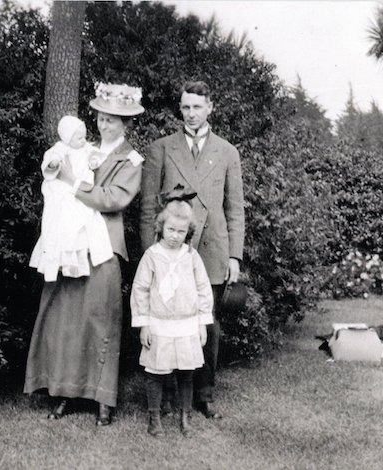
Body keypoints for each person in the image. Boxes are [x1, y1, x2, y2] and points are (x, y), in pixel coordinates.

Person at [24, 82, 145, 426]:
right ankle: (65, 392)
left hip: (104, 248)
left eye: (112, 120)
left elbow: (113, 199)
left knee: (101, 321)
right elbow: (54, 177)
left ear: (126, 124)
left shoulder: (131, 159)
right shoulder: (81, 148)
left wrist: (73, 182)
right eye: (101, 118)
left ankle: (103, 399)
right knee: (67, 320)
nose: (104, 125)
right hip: (71, 244)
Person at [140, 80, 245, 420]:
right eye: (185, 107)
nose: (191, 113)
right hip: (170, 249)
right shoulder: (161, 148)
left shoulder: (227, 152)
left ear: (210, 107)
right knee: (167, 321)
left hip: (212, 249)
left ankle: (204, 394)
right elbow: (146, 209)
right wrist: (149, 255)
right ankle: (169, 393)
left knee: (206, 323)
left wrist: (234, 255)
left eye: (197, 107)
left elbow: (235, 209)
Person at [131, 187, 214, 437]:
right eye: (170, 230)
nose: (175, 236)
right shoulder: (152, 256)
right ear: (161, 227)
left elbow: (203, 290)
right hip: (159, 323)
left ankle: (185, 417)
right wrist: (144, 324)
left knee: (186, 373)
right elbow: (141, 290)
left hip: (186, 324)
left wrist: (201, 323)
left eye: (181, 232)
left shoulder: (192, 257)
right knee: (156, 372)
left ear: (188, 232)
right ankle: (154, 417)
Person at [29, 115, 113, 281]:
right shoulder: (60, 148)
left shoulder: (85, 148)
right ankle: (63, 260)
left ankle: (78, 257)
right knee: (63, 222)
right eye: (79, 137)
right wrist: (53, 163)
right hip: (63, 188)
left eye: (84, 136)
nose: (83, 140)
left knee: (85, 219)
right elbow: (51, 161)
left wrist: (94, 160)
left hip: (79, 187)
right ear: (67, 138)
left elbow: (95, 156)